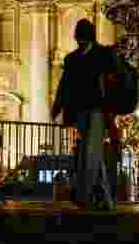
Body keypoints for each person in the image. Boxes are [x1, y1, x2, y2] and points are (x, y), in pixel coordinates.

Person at [52, 18, 116, 211]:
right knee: (92, 153)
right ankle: (105, 198)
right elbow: (65, 84)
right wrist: (58, 105)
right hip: (80, 111)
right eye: (79, 37)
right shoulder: (71, 59)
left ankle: (83, 195)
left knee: (90, 152)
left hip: (98, 110)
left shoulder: (104, 55)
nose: (80, 40)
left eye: (82, 36)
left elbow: (111, 83)